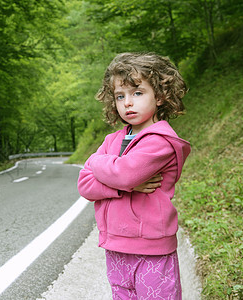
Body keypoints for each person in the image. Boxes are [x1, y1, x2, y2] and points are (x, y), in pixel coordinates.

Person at [77, 52, 191, 299]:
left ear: (160, 96)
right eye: (120, 96)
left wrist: (97, 161)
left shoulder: (160, 141)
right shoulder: (113, 140)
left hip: (152, 249)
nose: (128, 102)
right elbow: (85, 184)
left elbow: (125, 174)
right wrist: (118, 187)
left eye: (137, 93)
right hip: (116, 246)